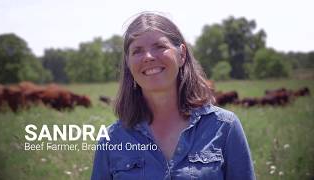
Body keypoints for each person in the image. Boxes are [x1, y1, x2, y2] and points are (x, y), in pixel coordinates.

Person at [91, 12, 255, 180]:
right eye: (137, 51)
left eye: (160, 47)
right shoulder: (112, 139)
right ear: (128, 63)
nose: (148, 57)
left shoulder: (224, 127)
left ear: (182, 54)